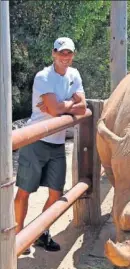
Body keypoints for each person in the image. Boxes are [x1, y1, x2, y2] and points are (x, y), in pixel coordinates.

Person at [14, 37, 86, 255]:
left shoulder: (74, 75)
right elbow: (55, 111)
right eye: (61, 53)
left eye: (69, 53)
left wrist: (62, 105)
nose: (65, 57)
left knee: (56, 194)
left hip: (57, 143)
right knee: (24, 192)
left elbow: (81, 107)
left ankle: (39, 234)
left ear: (73, 54)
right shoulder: (43, 76)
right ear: (53, 53)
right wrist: (67, 104)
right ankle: (19, 236)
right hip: (35, 141)